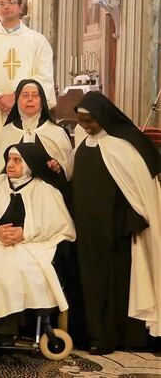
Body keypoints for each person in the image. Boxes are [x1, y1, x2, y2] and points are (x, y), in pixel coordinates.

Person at [71, 92, 161, 354]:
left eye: (89, 121)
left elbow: (138, 189)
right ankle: (93, 333)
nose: (85, 126)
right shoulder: (83, 146)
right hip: (88, 230)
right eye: (81, 121)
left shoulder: (122, 146)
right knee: (91, 284)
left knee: (115, 285)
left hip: (116, 231)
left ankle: (113, 336)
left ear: (101, 117)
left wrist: (132, 218)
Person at [0, 143, 76, 346]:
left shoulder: (44, 190)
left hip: (31, 245)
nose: (10, 165)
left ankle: (4, 331)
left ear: (29, 164)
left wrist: (26, 233)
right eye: (9, 159)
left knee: (17, 263)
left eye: (17, 160)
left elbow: (61, 226)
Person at [0, 0, 54, 191]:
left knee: (26, 166)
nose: (6, 7)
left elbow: (44, 76)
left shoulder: (37, 40)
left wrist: (16, 98)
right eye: (1, 4)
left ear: (20, 7)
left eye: (10, 2)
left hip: (26, 114)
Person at [0, 79, 73, 182]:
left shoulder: (56, 132)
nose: (30, 99)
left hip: (46, 190)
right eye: (25, 95)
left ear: (42, 100)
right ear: (17, 101)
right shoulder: (7, 132)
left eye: (35, 95)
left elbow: (67, 175)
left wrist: (56, 169)